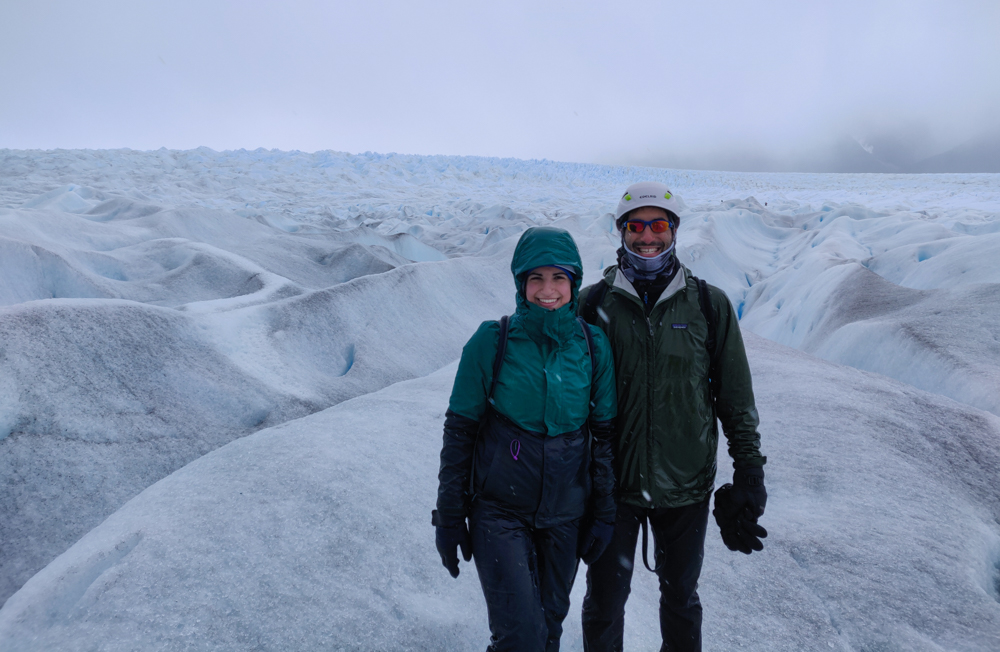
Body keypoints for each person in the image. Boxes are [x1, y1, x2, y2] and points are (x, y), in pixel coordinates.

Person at [578, 181, 767, 652]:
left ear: (674, 230)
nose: (648, 237)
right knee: (605, 600)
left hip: (685, 484)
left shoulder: (708, 304)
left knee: (681, 598)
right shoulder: (592, 305)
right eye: (636, 226)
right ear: (621, 231)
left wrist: (749, 472)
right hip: (611, 486)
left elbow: (735, 398)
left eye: (658, 225)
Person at [433, 226, 618, 652]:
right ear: (521, 283)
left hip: (566, 515)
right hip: (500, 512)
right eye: (536, 278)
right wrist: (448, 515)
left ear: (574, 281)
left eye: (559, 278)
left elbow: (604, 437)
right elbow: (459, 433)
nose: (547, 289)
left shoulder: (592, 346)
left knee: (548, 630)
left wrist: (604, 512)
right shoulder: (491, 341)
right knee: (521, 638)